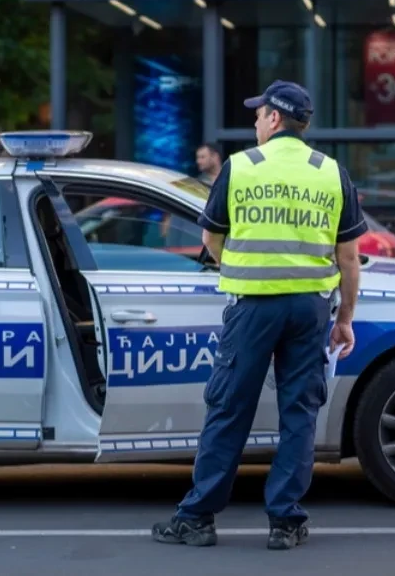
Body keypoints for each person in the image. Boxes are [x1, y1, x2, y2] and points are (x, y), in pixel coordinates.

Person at [151, 80, 367, 551]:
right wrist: (344, 318)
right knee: (299, 412)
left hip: (252, 307)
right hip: (310, 308)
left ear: (274, 119)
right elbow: (348, 258)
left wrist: (242, 268)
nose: (254, 121)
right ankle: (285, 523)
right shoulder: (332, 173)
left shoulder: (240, 167)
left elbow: (211, 239)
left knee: (230, 408)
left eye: (257, 114)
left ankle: (198, 518)